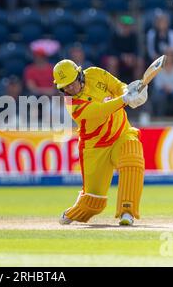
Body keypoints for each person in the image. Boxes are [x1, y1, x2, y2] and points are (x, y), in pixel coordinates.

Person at [52, 59, 148, 226]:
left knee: (132, 155)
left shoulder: (95, 73)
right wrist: (125, 99)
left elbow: (118, 86)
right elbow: (101, 110)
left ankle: (127, 212)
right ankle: (73, 212)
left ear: (80, 75)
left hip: (121, 133)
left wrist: (131, 91)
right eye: (64, 87)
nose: (69, 89)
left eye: (71, 83)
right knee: (93, 204)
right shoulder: (72, 105)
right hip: (95, 148)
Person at [105, 15, 145, 84]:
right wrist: (122, 56)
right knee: (112, 62)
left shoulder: (133, 36)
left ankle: (137, 87)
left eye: (128, 26)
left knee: (140, 62)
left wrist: (131, 57)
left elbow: (137, 50)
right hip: (118, 58)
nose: (126, 27)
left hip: (130, 59)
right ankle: (113, 86)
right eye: (124, 25)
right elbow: (110, 50)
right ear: (120, 25)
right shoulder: (114, 35)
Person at [151, 50, 173, 117]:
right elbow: (157, 83)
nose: (168, 57)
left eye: (171, 55)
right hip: (162, 89)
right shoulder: (158, 67)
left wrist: (171, 88)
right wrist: (165, 87)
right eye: (166, 55)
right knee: (159, 96)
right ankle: (159, 118)